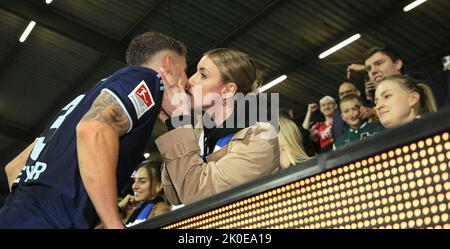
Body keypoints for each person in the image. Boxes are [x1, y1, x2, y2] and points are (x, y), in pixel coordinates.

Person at [0, 32, 187, 229]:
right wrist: (114, 224)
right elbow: (93, 129)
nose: (186, 83)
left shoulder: (85, 100)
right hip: (52, 221)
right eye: (183, 72)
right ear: (168, 65)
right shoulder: (148, 78)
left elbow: (15, 166)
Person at [156, 48, 280, 205]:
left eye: (203, 75)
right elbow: (174, 196)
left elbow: (195, 194)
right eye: (195, 72)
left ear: (228, 90)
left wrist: (178, 127)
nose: (190, 81)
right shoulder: (197, 132)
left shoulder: (259, 139)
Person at [347, 46, 446, 107]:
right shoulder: (377, 103)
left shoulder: (423, 89)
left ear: (398, 64)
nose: (373, 71)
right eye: (368, 69)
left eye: (379, 63)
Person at [119, 161, 169, 227]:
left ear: (159, 186)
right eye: (134, 181)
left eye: (142, 181)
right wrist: (119, 208)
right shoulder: (133, 211)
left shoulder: (161, 210)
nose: (134, 186)